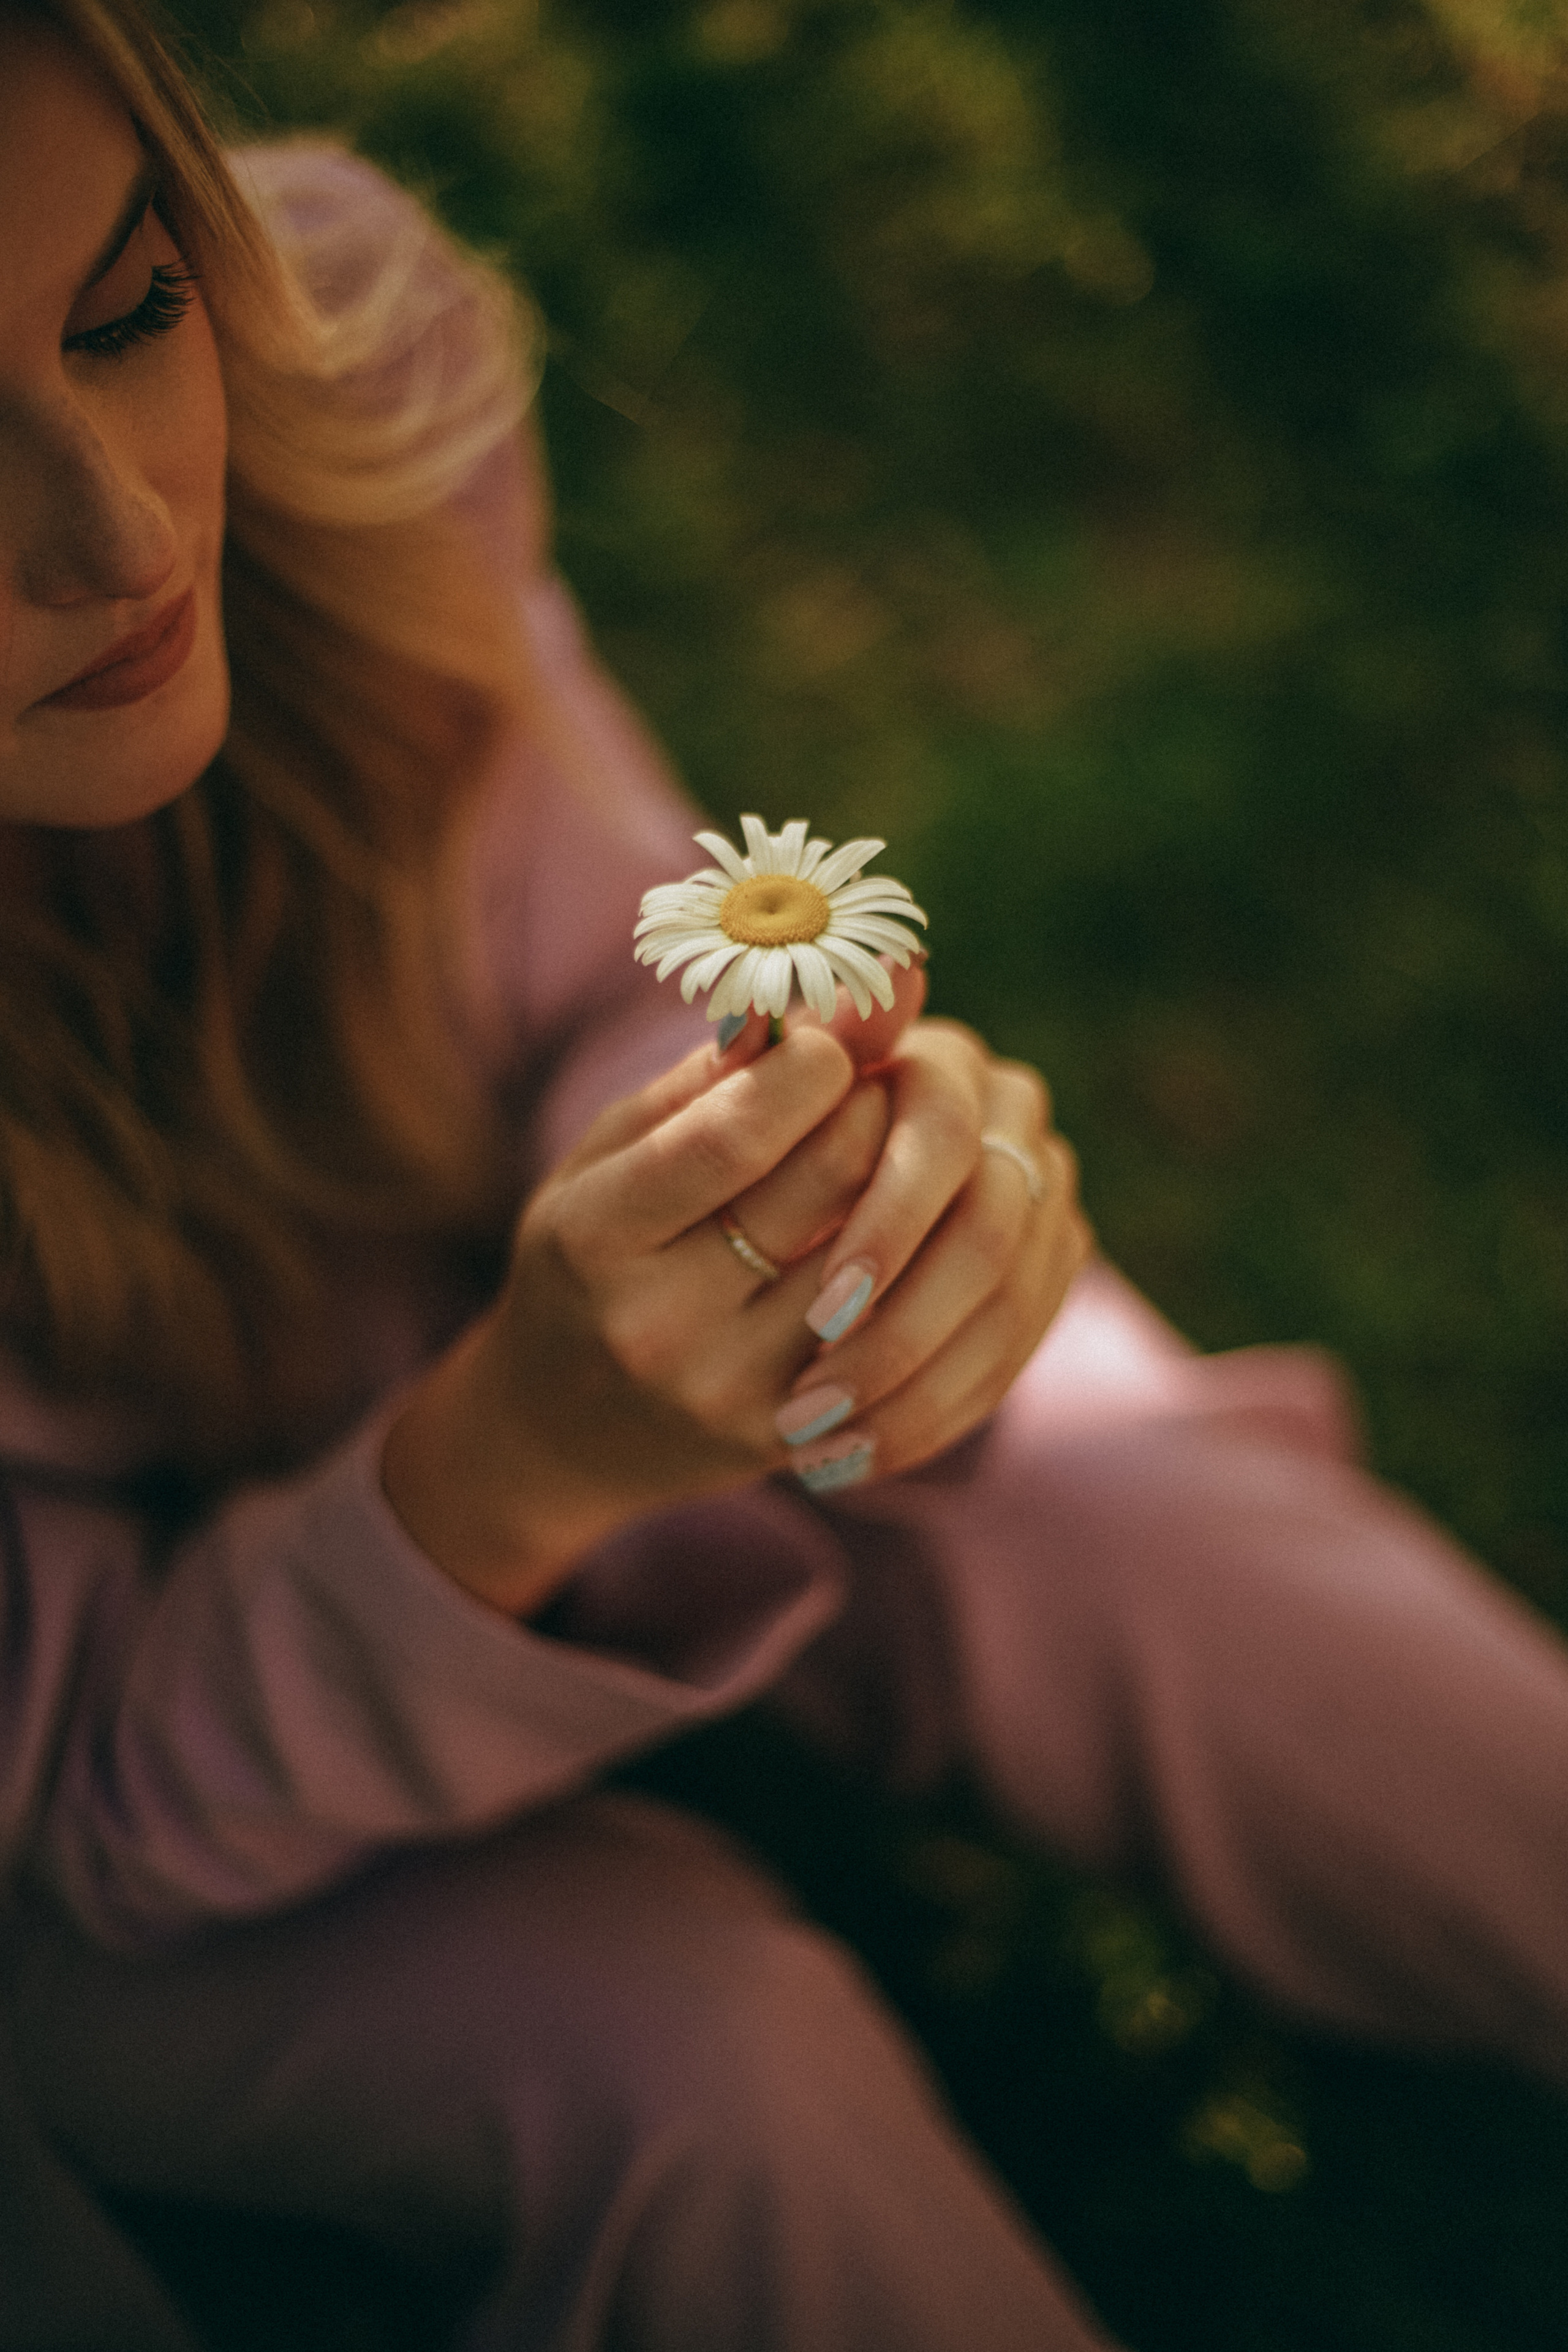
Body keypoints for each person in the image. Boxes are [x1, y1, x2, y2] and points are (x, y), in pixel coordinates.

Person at [1, 3, 1566, 2345]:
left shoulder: (352, 408)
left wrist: (775, 1173)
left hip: (493, 1414)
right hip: (97, 1864)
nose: (113, 531)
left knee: (1102, 1498)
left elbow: (588, 934)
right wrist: (509, 1459)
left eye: (127, 309)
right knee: (680, 2068)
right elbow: (101, 1818)